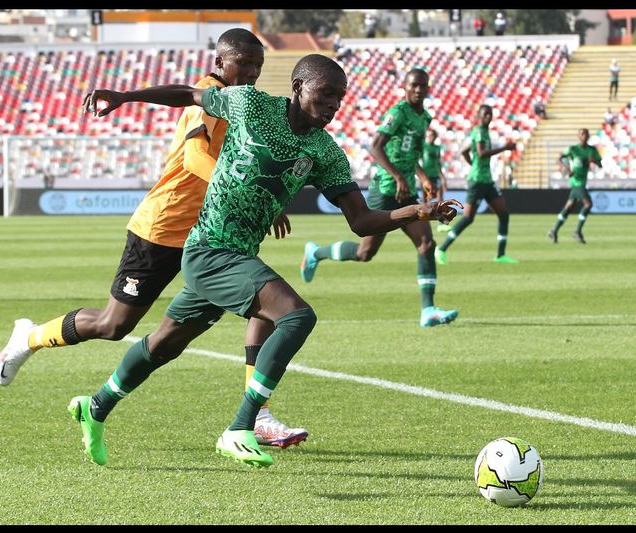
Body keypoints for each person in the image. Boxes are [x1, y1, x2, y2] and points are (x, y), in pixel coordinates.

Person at [66, 54, 460, 468]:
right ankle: (241, 427)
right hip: (207, 249)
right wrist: (125, 96)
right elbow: (188, 94)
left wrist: (416, 212)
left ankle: (95, 406)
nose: (333, 105)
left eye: (340, 98)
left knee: (165, 344)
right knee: (296, 316)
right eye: (326, 94)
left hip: (237, 256)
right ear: (298, 87)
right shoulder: (250, 104)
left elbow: (361, 221)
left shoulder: (325, 152)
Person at [0, 28, 309, 449]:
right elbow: (196, 156)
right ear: (220, 63)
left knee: (264, 305)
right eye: (244, 63)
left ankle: (258, 417)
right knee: (113, 325)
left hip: (211, 234)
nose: (252, 72)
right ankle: (30, 337)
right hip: (163, 227)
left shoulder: (244, 104)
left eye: (258, 65)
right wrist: (247, 188)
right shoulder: (208, 95)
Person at [299, 69, 460, 329]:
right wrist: (398, 177)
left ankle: (428, 310)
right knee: (365, 253)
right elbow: (375, 147)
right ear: (405, 87)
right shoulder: (398, 113)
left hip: (406, 192)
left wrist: (422, 177)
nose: (418, 90)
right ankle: (316, 253)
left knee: (426, 244)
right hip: (386, 189)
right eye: (414, 85)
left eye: (423, 86)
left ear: (428, 88)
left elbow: (410, 155)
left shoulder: (424, 118)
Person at [435, 104, 518, 265]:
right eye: (485, 114)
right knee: (468, 218)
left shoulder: (484, 132)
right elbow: (481, 153)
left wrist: (473, 164)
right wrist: (505, 148)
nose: (488, 117)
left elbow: (465, 150)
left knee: (504, 215)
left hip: (487, 180)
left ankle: (500, 255)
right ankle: (441, 249)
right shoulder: (479, 131)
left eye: (490, 114)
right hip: (477, 181)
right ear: (479, 116)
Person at [548, 128, 602, 244]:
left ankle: (554, 230)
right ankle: (577, 231)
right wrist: (567, 169)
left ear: (588, 136)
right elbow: (558, 159)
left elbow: (600, 164)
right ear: (578, 136)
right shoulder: (573, 149)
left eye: (586, 134)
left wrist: (594, 161)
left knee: (569, 207)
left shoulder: (592, 150)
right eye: (582, 134)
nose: (584, 136)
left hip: (583, 181)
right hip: (576, 181)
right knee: (588, 204)